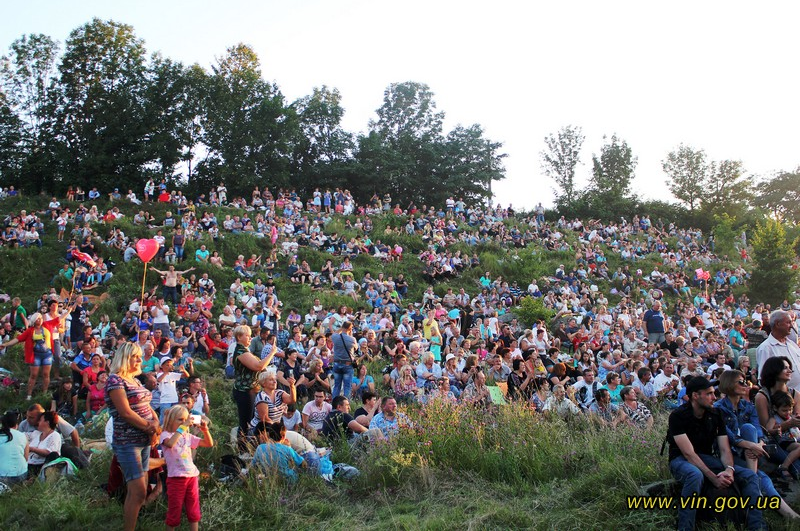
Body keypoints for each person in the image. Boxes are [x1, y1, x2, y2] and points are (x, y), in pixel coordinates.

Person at [667, 376, 766, 531]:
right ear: (695, 395)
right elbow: (688, 454)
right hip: (680, 459)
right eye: (709, 394)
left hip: (707, 458)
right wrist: (713, 477)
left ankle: (757, 527)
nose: (714, 397)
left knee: (750, 476)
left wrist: (729, 470)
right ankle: (685, 527)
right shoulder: (678, 416)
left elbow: (725, 448)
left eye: (714, 393)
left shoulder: (715, 414)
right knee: (695, 475)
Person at [105, 342, 160, 531]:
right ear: (125, 358)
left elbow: (147, 405)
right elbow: (125, 412)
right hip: (128, 443)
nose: (139, 359)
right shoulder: (115, 381)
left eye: (139, 356)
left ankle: (135, 523)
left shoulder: (135, 380)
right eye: (135, 356)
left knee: (140, 489)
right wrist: (150, 428)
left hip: (144, 440)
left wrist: (156, 424)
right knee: (137, 491)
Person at [160, 405, 214, 531]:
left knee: (193, 510)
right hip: (176, 478)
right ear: (170, 420)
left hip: (192, 476)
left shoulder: (187, 436)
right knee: (174, 511)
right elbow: (170, 443)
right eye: (180, 420)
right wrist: (183, 427)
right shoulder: (165, 435)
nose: (184, 423)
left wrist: (205, 430)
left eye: (186, 420)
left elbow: (208, 443)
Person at [231, 325, 276, 442]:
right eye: (247, 336)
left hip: (252, 389)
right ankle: (242, 449)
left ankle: (252, 445)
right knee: (246, 421)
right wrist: (272, 353)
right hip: (245, 391)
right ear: (239, 337)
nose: (250, 338)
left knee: (252, 420)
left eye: (250, 336)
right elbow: (259, 366)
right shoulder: (241, 351)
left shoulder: (245, 350)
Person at [1, 312, 54, 401]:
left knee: (46, 374)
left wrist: (68, 310)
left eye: (41, 318)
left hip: (47, 354)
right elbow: (18, 339)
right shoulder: (30, 331)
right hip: (35, 355)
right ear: (34, 320)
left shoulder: (46, 327)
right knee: (33, 375)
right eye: (37, 318)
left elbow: (59, 319)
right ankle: (29, 395)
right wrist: (5, 344)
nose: (39, 320)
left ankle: (45, 393)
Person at [757, 310, 800, 393]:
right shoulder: (766, 348)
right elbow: (764, 379)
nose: (791, 326)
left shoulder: (792, 345)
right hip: (785, 400)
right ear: (777, 324)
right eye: (788, 322)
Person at [26, 410, 62, 477]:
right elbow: (22, 436)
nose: (38, 422)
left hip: (41, 465)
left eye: (40, 420)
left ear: (47, 422)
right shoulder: (36, 433)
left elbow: (50, 452)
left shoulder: (55, 435)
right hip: (28, 464)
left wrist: (32, 449)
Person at [0, 410, 28, 486]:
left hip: (3, 476)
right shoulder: (23, 436)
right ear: (16, 424)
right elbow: (26, 458)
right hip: (21, 475)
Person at [331, 320, 357, 399]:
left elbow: (335, 333)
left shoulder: (335, 337)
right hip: (347, 364)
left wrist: (341, 328)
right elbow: (355, 348)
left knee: (336, 386)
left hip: (336, 363)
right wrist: (350, 332)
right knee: (347, 387)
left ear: (342, 327)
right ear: (350, 329)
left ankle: (334, 404)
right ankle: (346, 405)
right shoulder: (352, 339)